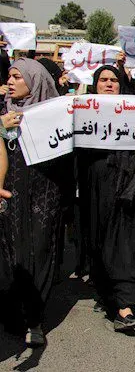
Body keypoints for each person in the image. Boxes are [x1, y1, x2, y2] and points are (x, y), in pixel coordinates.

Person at [0, 59, 73, 346]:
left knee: (40, 250)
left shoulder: (54, 113)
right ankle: (12, 312)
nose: (10, 81)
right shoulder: (3, 112)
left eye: (17, 77)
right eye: (9, 76)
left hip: (45, 191)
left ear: (35, 81)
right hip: (10, 191)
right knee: (11, 251)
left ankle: (34, 317)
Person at [76, 62, 135, 332]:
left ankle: (125, 305)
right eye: (103, 80)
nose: (109, 84)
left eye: (114, 80)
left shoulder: (133, 110)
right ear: (95, 84)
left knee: (125, 242)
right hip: (97, 185)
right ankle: (109, 291)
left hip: (129, 183)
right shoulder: (81, 110)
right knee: (102, 239)